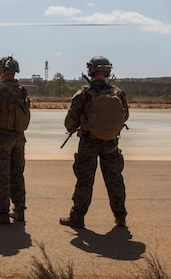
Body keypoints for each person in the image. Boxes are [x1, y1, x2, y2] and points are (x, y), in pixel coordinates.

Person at [60, 56, 129, 228]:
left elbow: (70, 123)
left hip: (89, 143)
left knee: (85, 180)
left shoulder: (83, 95)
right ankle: (120, 217)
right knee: (114, 180)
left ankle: (77, 217)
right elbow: (124, 115)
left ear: (91, 71)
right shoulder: (117, 93)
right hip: (111, 143)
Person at [0, 55, 31, 224]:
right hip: (19, 137)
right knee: (17, 174)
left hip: (3, 137)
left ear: (1, 72)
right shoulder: (22, 91)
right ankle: (19, 210)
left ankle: (1, 212)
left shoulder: (0, 93)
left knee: (0, 175)